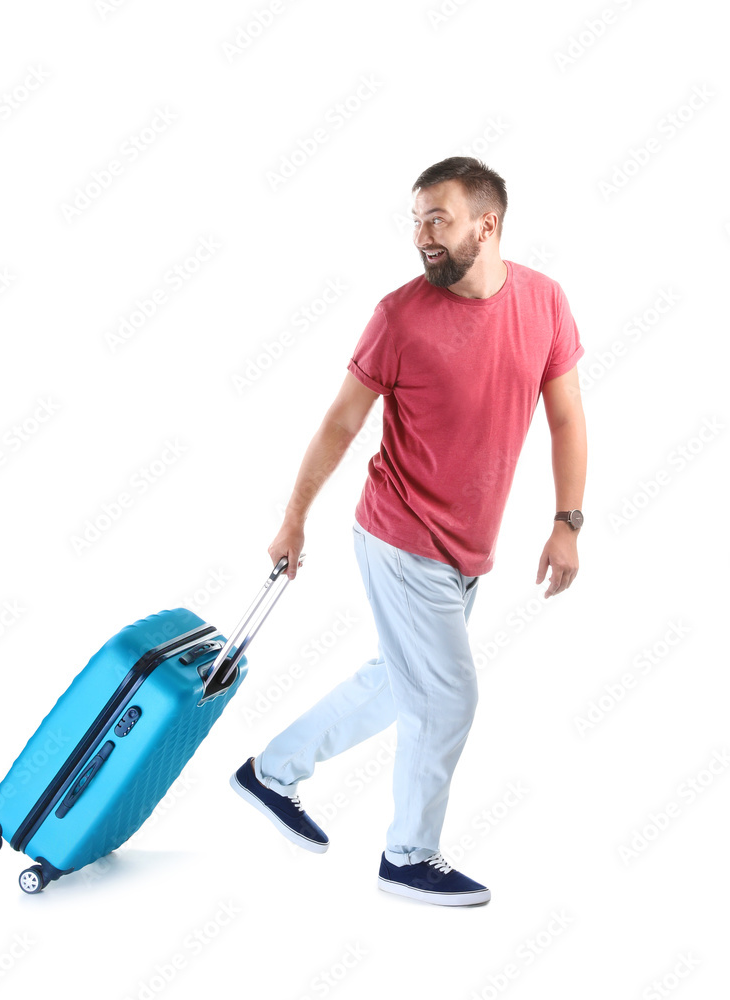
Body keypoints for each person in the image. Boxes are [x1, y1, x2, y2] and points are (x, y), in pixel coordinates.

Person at [230, 156, 587, 906]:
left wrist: (566, 522)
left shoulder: (545, 301)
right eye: (417, 220)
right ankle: (409, 856)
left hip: (468, 550)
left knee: (399, 682)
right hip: (400, 536)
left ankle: (272, 772)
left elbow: (565, 418)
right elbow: (341, 422)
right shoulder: (398, 318)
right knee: (447, 696)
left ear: (486, 225)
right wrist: (293, 519)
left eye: (438, 219)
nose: (422, 235)